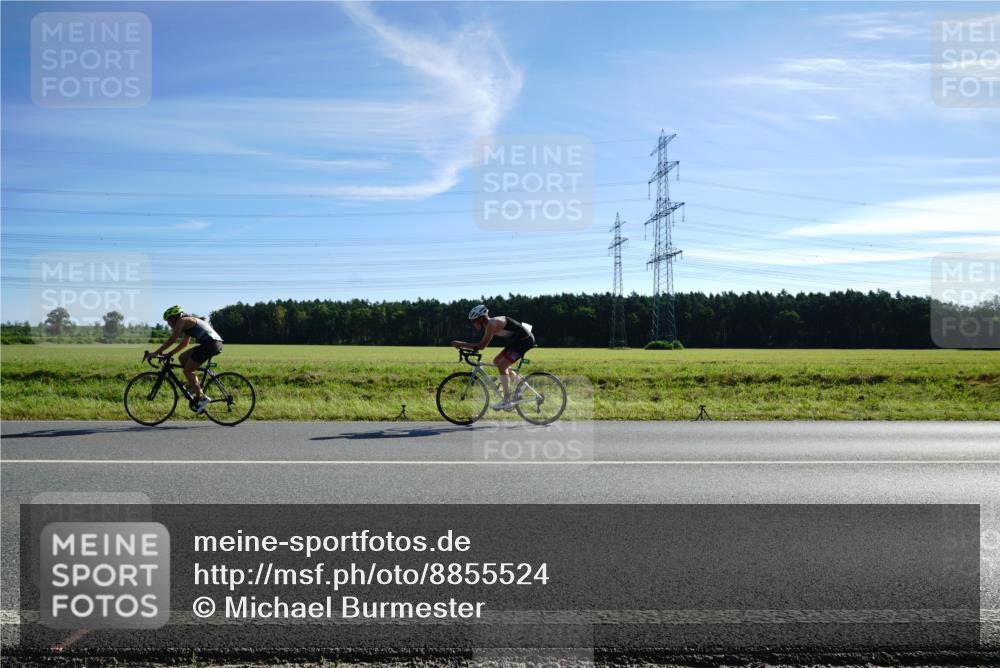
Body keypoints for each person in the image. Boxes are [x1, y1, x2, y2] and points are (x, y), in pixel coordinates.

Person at [451, 304, 535, 410]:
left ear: (481, 318)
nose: (473, 323)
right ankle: (522, 385)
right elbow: (480, 345)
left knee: (502, 366)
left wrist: (460, 343)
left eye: (474, 320)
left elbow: (482, 346)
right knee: (497, 361)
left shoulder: (491, 324)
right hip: (519, 340)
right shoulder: (489, 324)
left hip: (525, 341)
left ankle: (507, 400)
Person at [144, 305, 223, 413]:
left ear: (174, 318)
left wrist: (156, 352)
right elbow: (185, 343)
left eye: (168, 320)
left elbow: (172, 339)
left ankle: (201, 397)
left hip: (210, 345)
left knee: (187, 370)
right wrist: (170, 354)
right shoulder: (187, 322)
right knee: (182, 358)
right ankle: (195, 386)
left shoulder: (183, 320)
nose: (168, 323)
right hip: (211, 344)